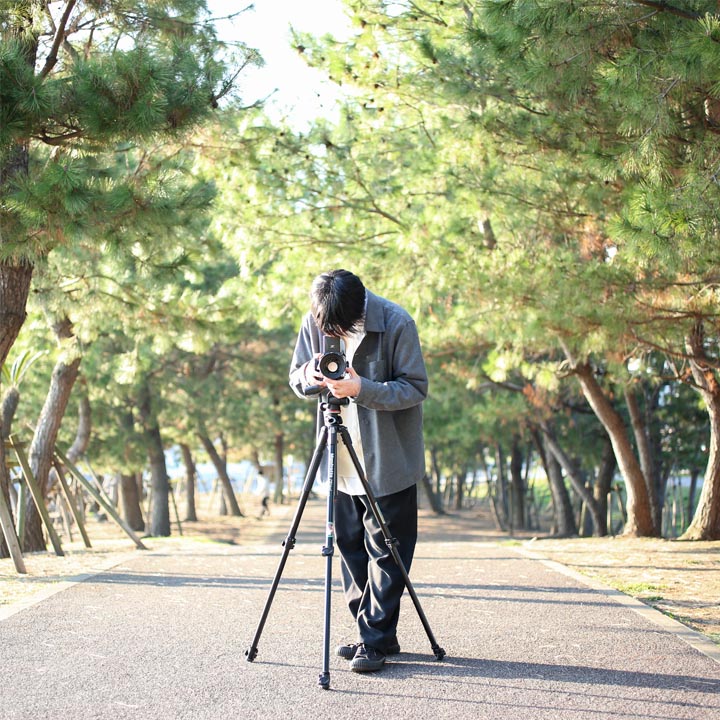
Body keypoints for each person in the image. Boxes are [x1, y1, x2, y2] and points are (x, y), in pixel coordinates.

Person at [289, 269, 428, 673]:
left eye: (339, 326)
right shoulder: (316, 320)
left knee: (388, 550)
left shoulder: (396, 322)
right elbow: (296, 376)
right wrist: (310, 378)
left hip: (387, 457)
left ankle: (373, 638)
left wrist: (360, 389)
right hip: (337, 453)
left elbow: (415, 388)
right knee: (349, 548)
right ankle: (375, 633)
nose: (329, 331)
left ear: (359, 307)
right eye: (323, 325)